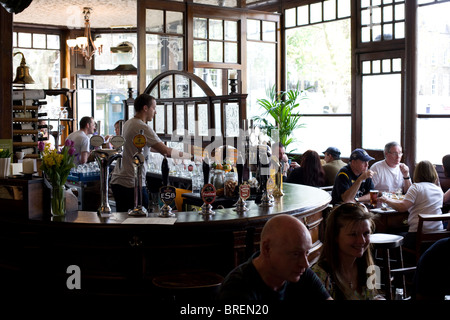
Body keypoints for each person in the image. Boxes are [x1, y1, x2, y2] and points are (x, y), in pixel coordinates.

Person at [217, 214, 332, 301]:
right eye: (295, 254)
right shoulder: (237, 289)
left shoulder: (300, 273)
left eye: (306, 253)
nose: (305, 264)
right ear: (267, 248)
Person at [110, 93, 192, 213]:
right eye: (154, 108)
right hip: (132, 183)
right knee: (140, 222)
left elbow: (148, 146)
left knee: (124, 222)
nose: (155, 112)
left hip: (119, 181)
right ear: (145, 108)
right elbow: (166, 152)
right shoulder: (142, 127)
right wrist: (191, 156)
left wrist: (162, 148)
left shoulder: (129, 123)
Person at [312, 203, 383, 300]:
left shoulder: (371, 269)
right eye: (353, 234)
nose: (362, 241)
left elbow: (372, 297)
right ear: (335, 237)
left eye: (366, 233)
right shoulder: (321, 275)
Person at [379, 160, 444, 249]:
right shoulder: (439, 190)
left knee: (390, 233)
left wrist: (386, 200)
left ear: (416, 172)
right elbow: (406, 203)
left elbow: (403, 207)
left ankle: (389, 262)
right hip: (436, 237)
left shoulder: (416, 187)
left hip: (416, 237)